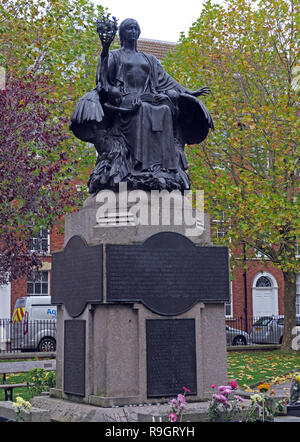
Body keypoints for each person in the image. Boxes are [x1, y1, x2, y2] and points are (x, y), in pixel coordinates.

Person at [70, 17, 214, 194]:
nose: (133, 31)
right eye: (129, 28)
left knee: (165, 109)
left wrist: (189, 92)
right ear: (122, 33)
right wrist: (105, 48)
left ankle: (164, 168)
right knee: (143, 110)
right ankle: (141, 164)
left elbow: (167, 82)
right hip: (125, 102)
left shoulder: (150, 59)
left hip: (148, 97)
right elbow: (103, 80)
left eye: (135, 28)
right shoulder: (115, 55)